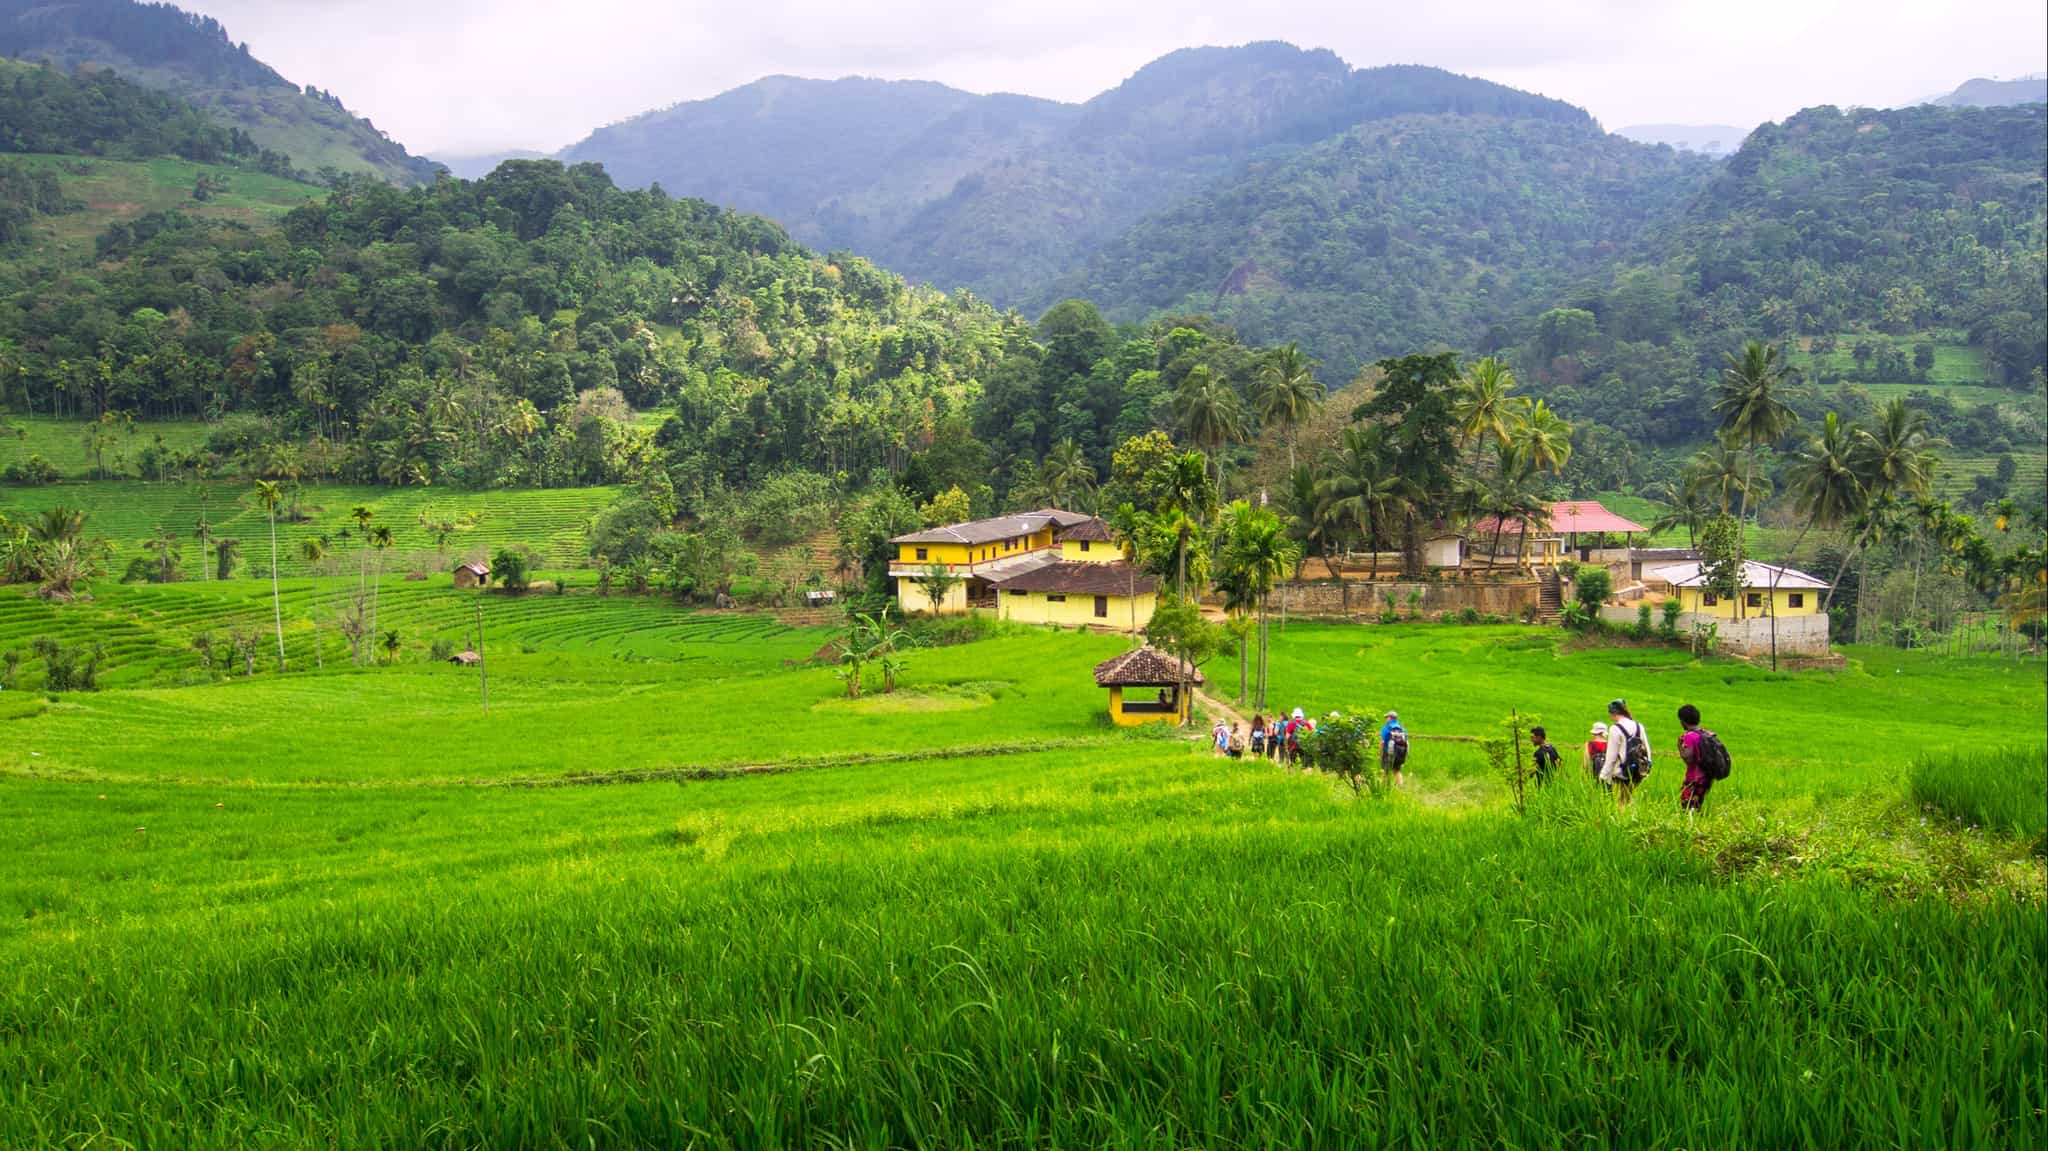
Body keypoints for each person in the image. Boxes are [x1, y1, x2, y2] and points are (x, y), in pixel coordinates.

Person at [1600, 699, 1651, 805]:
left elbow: (1611, 757)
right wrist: (1647, 767)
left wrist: (1603, 776)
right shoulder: (1638, 726)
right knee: (1629, 801)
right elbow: (1647, 749)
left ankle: (1623, 820)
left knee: (1620, 804)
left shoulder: (1615, 728)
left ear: (1613, 713)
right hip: (1638, 772)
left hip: (1621, 773)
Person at [1676, 704, 1715, 812]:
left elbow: (1688, 759)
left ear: (1683, 721)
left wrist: (1679, 746)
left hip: (1693, 779)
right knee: (1697, 807)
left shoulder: (1690, 736)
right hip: (1707, 778)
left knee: (1687, 808)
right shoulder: (1706, 733)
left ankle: (1690, 827)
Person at [1379, 710, 1408, 786]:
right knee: (1397, 770)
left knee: (1385, 770)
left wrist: (1380, 754)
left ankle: (1382, 786)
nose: (1386, 719)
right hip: (1400, 753)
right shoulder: (1402, 729)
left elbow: (1382, 742)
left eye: (1386, 717)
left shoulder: (1386, 728)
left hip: (1388, 752)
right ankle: (1400, 787)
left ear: (1390, 718)